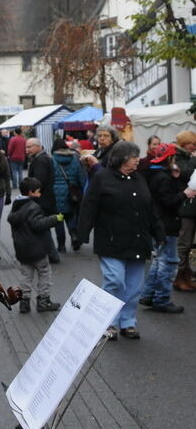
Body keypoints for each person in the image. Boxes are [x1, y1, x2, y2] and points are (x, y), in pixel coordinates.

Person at [77, 141, 165, 341]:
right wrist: (81, 233)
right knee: (115, 280)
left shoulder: (139, 179)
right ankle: (107, 322)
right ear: (122, 158)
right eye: (134, 156)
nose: (137, 160)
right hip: (111, 241)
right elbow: (88, 206)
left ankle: (127, 322)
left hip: (138, 241)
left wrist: (159, 233)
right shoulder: (102, 178)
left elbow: (150, 209)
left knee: (134, 287)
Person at [139, 143, 184, 312]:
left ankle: (149, 295)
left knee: (159, 260)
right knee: (169, 262)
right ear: (170, 158)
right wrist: (184, 194)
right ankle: (161, 299)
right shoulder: (163, 178)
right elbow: (169, 201)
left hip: (158, 223)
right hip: (167, 224)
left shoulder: (154, 173)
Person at [8, 177, 62, 314]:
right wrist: (54, 219)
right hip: (37, 249)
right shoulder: (34, 207)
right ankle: (43, 300)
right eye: (38, 192)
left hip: (22, 250)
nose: (40, 194)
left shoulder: (16, 205)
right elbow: (38, 224)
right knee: (44, 273)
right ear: (31, 192)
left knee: (26, 276)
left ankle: (24, 302)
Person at [26, 137, 59, 263]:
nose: (27, 150)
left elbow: (39, 181)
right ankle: (50, 254)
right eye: (26, 147)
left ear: (38, 146)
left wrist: (31, 193)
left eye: (29, 147)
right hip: (45, 199)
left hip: (42, 200)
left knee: (42, 228)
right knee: (43, 228)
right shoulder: (42, 158)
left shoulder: (41, 160)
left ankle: (51, 254)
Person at [51, 137, 85, 252]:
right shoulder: (75, 158)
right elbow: (81, 176)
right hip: (72, 192)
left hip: (55, 193)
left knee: (58, 219)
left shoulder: (52, 159)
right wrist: (82, 190)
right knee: (71, 216)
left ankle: (61, 245)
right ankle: (74, 236)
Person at [172, 131, 196, 291]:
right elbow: (186, 174)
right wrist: (194, 159)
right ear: (184, 143)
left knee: (187, 243)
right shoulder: (177, 158)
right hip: (186, 206)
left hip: (191, 205)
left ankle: (186, 275)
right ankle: (179, 276)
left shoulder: (185, 157)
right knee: (184, 243)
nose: (194, 146)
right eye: (191, 143)